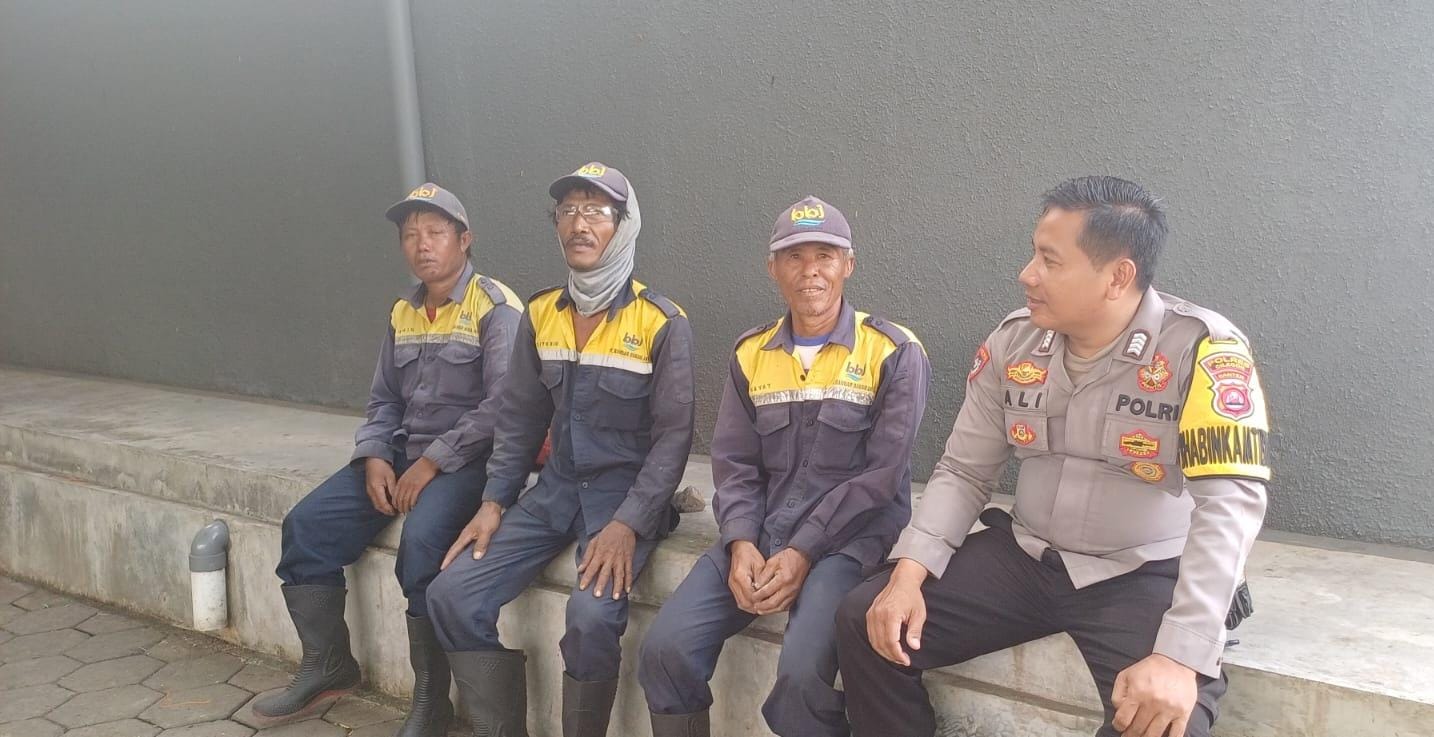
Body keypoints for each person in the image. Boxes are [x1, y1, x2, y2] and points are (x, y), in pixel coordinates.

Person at [835, 176, 1270, 737]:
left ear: (1117, 277)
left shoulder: (1202, 351)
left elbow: (1229, 505)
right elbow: (964, 471)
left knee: (1164, 722)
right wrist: (909, 572)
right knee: (867, 619)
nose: (1027, 274)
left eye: (1049, 260)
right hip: (1025, 558)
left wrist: (1181, 654)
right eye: (1033, 254)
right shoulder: (1014, 342)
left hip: (1140, 572)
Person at [639, 196, 930, 737]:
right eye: (794, 257)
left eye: (825, 256)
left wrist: (804, 550)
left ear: (849, 264)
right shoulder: (751, 353)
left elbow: (882, 477)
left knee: (800, 680)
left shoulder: (892, 351)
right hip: (763, 534)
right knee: (664, 651)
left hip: (848, 543)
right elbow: (735, 464)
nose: (810, 270)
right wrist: (740, 541)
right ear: (773, 268)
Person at [425, 162, 696, 737]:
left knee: (590, 614)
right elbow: (520, 417)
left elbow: (674, 439)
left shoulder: (661, 322)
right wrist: (494, 502)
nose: (579, 224)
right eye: (569, 210)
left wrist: (630, 522)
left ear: (624, 225)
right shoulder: (542, 313)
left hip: (622, 501)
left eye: (596, 211)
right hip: (553, 494)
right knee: (450, 592)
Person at [258, 183, 521, 737]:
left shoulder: (494, 306)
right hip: (401, 453)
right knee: (307, 527)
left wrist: (433, 462)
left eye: (435, 232)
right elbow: (383, 400)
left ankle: (432, 701)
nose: (422, 244)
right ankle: (329, 665)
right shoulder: (403, 311)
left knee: (421, 544)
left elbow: (505, 406)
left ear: (464, 240)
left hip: (468, 460)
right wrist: (376, 453)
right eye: (410, 235)